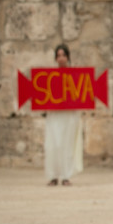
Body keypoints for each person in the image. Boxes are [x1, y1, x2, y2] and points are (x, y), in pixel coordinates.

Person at [44, 44, 83, 187]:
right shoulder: (49, 77)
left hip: (69, 115)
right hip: (54, 115)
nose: (61, 58)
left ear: (67, 57)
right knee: (53, 144)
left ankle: (66, 176)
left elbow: (80, 93)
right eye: (58, 56)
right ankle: (53, 175)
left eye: (63, 55)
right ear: (56, 58)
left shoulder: (75, 75)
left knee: (67, 144)